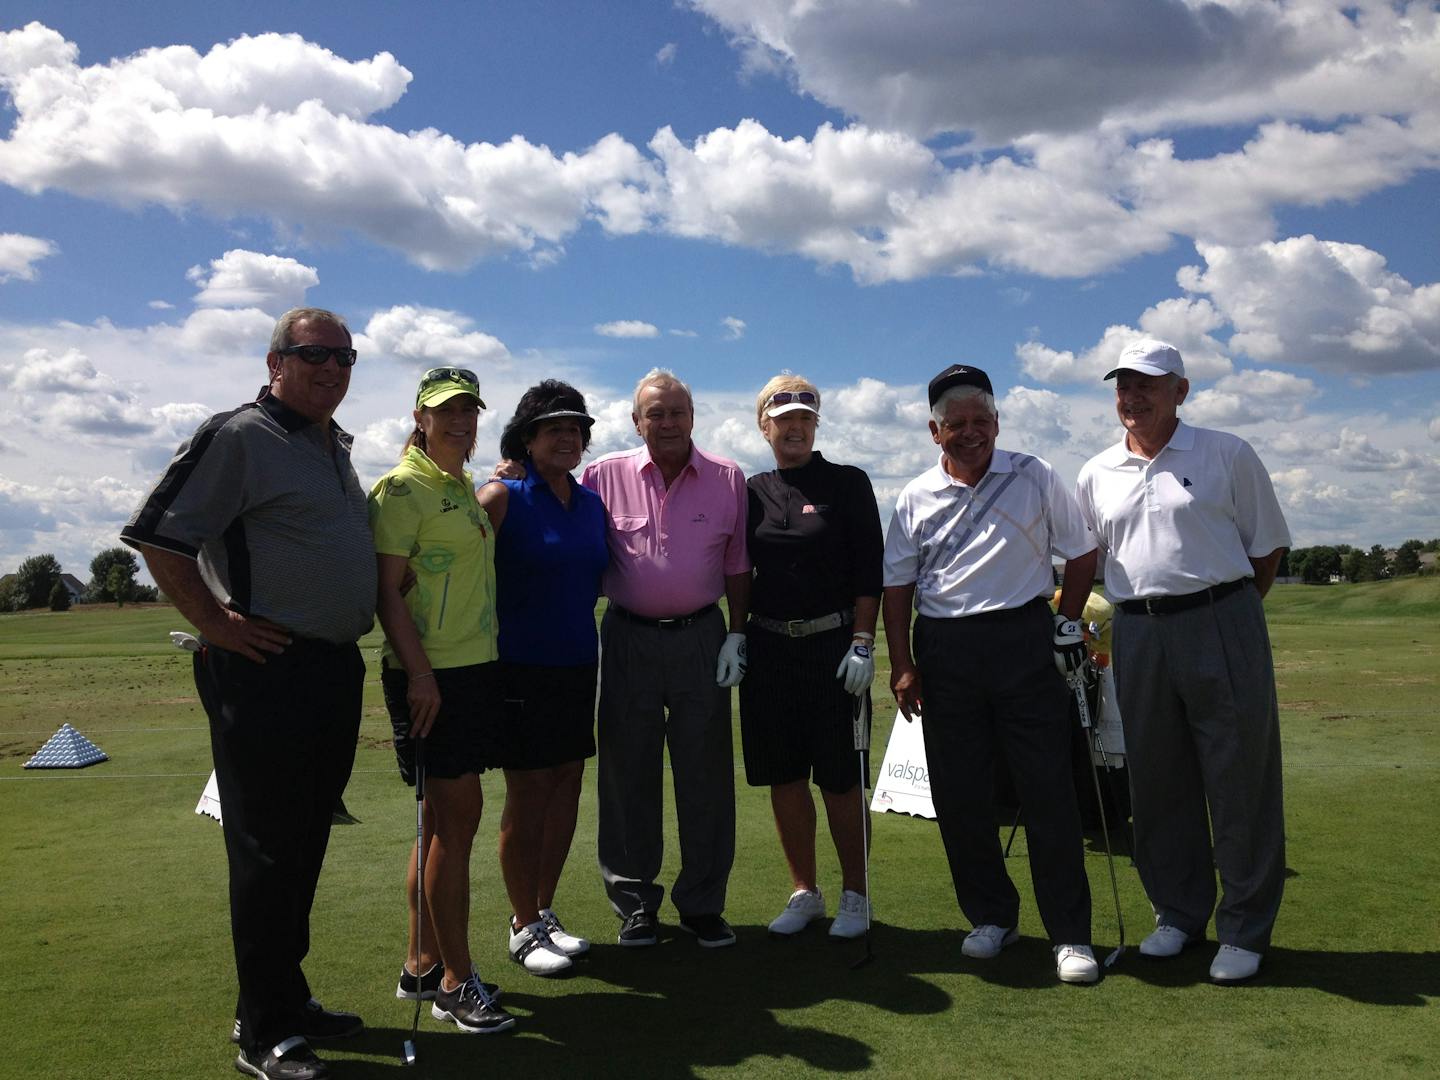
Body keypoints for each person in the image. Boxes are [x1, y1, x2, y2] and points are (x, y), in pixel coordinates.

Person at [121, 307, 376, 1080]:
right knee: (267, 850)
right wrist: (216, 622)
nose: (331, 368)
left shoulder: (331, 443)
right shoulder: (238, 435)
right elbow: (158, 535)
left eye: (344, 356)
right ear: (275, 362)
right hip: (264, 671)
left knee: (303, 843)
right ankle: (262, 1030)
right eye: (313, 354)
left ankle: (286, 999)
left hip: (331, 669)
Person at [1075, 339, 1290, 984]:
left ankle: (1244, 927)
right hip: (1137, 631)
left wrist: (1224, 613)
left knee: (1238, 776)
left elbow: (1265, 551)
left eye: (1148, 385)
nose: (1132, 398)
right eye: (1123, 386)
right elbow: (1092, 558)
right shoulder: (1096, 471)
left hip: (1221, 617)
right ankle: (1177, 913)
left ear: (1181, 390)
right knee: (1157, 780)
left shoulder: (1226, 452)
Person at [881, 364, 1102, 985]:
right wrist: (902, 663)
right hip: (946, 650)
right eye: (957, 424)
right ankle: (991, 916)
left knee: (1047, 789)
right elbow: (897, 586)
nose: (971, 433)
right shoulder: (914, 496)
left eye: (982, 421)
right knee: (960, 794)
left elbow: (1081, 551)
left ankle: (1070, 934)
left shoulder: (1033, 475)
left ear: (997, 422)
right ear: (935, 431)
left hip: (1024, 640)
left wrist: (1068, 618)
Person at [580, 368, 750, 948]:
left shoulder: (728, 477)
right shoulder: (602, 476)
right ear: (636, 421)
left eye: (678, 411)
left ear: (693, 416)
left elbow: (737, 565)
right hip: (627, 637)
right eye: (656, 413)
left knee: (706, 774)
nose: (668, 422)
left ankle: (702, 903)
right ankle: (635, 903)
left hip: (703, 637)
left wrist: (738, 633)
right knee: (628, 772)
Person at [369, 367, 517, 1032]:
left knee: (437, 827)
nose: (461, 421)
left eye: (469, 411)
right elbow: (385, 592)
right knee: (455, 830)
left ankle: (422, 964)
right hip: (432, 678)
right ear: (420, 416)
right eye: (446, 411)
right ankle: (457, 983)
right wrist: (421, 673)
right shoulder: (403, 488)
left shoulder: (454, 484)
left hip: (469, 671)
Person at [740, 374, 883, 939]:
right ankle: (805, 891)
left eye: (805, 417)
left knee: (841, 779)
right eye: (783, 418)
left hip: (834, 647)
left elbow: (869, 568)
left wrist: (863, 642)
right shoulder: (749, 489)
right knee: (785, 776)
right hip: (770, 647)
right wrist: (736, 634)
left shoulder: (847, 483)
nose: (794, 426)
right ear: (764, 425)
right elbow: (736, 568)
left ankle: (855, 894)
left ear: (815, 424)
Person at [475, 381, 608, 975]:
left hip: (579, 663)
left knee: (567, 788)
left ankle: (543, 910)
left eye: (576, 428)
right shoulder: (502, 497)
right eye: (553, 427)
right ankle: (522, 923)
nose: (567, 437)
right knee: (527, 796)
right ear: (526, 438)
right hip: (518, 668)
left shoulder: (589, 503)